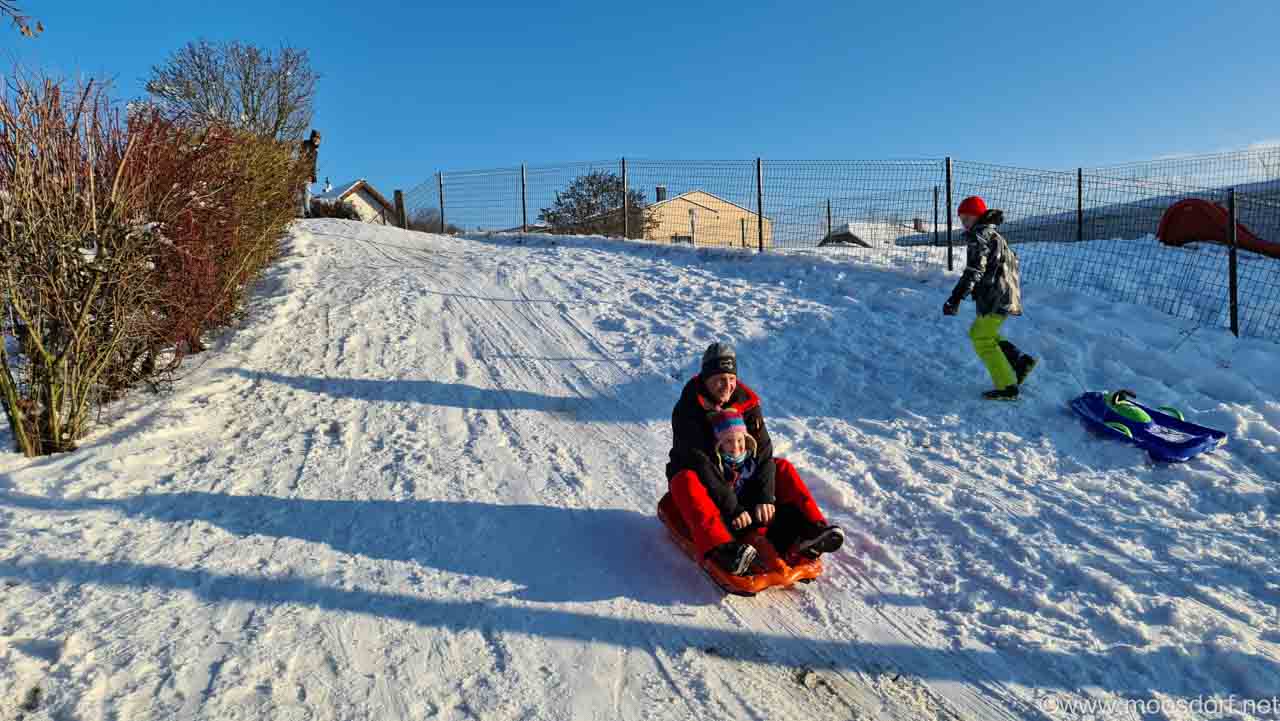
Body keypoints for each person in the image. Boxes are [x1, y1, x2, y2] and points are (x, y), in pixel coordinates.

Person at [666, 342, 844, 576]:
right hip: (705, 483)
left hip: (739, 477)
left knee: (781, 467)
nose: (727, 386)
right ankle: (723, 551)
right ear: (705, 378)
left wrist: (764, 496)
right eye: (719, 379)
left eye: (731, 378)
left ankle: (813, 531)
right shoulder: (688, 410)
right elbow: (702, 465)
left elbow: (763, 451)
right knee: (685, 479)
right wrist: (733, 509)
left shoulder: (746, 402)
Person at [943, 196, 1037, 400]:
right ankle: (1019, 361)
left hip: (996, 295)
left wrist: (956, 297)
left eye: (968, 218)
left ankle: (1007, 387)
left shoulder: (980, 235)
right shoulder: (992, 234)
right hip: (1003, 293)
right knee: (984, 333)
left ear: (978, 216)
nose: (964, 223)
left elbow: (975, 269)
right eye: (962, 219)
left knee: (981, 337)